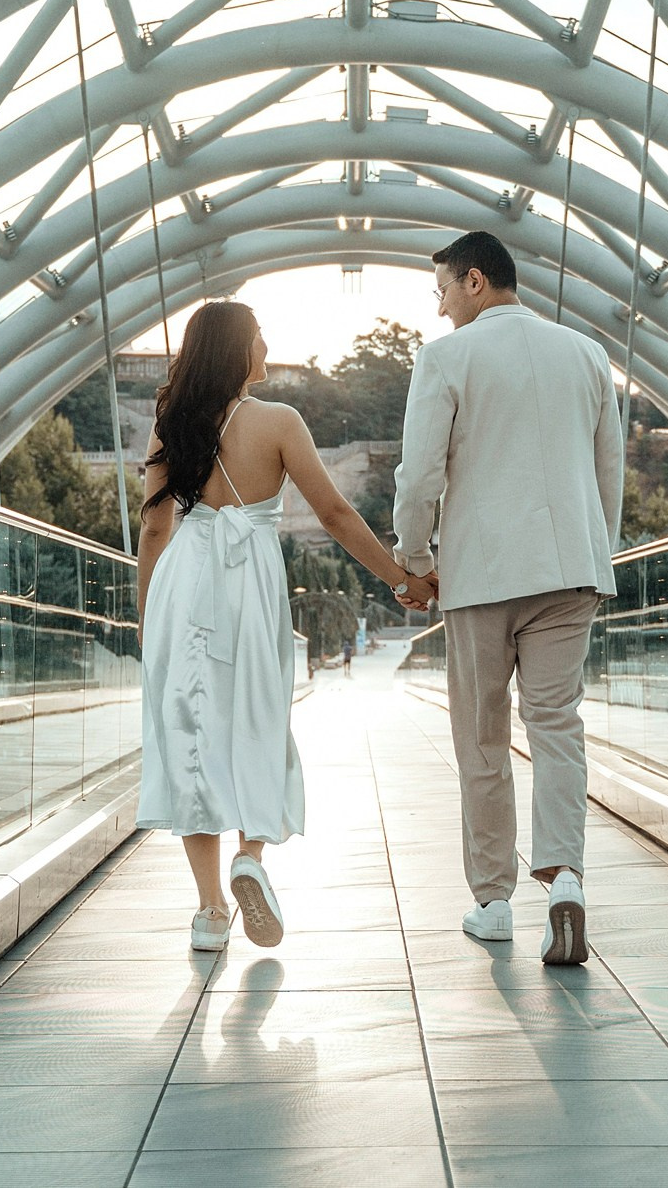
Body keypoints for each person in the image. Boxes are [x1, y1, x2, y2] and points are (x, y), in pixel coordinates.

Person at [136, 301, 431, 953]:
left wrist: (146, 619)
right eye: (260, 336)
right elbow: (334, 514)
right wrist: (400, 579)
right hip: (250, 582)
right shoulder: (278, 421)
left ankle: (210, 912)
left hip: (185, 582)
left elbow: (155, 528)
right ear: (237, 349)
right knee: (260, 720)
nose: (267, 346)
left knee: (190, 736)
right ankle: (250, 858)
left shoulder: (170, 424)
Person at [392, 230, 622, 965]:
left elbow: (420, 475)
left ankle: (493, 902)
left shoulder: (446, 358)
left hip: (482, 576)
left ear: (475, 281)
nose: (439, 308)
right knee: (556, 726)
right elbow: (607, 472)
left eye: (442, 291)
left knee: (482, 736)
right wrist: (596, 553)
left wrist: (415, 562)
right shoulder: (587, 354)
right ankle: (565, 880)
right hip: (570, 572)